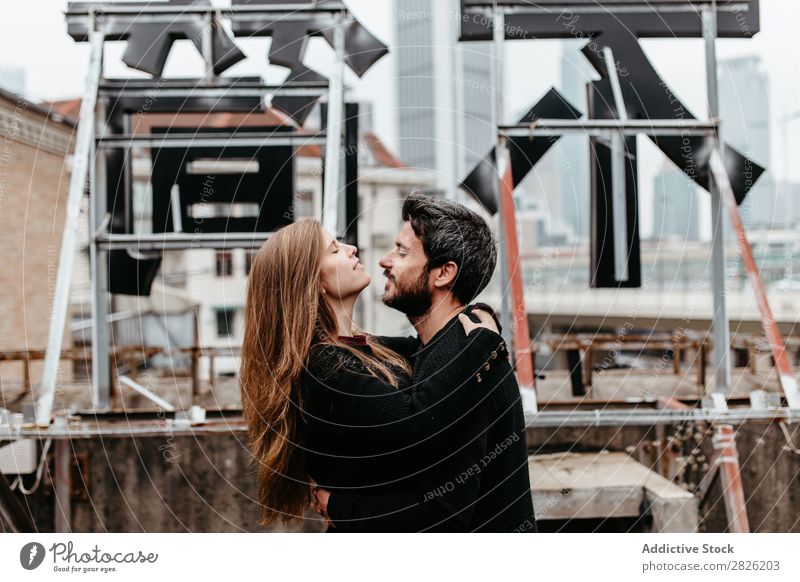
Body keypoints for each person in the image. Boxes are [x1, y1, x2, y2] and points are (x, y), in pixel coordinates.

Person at [239, 217, 505, 530]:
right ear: (313, 281)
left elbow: (429, 345)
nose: (352, 249)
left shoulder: (359, 349)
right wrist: (483, 342)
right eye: (335, 250)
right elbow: (417, 422)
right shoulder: (324, 368)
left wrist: (480, 314)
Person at [313, 193, 537, 533]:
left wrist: (341, 506)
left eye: (402, 252)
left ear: (443, 273)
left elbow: (443, 512)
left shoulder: (470, 368)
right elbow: (362, 350)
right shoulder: (436, 353)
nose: (385, 261)